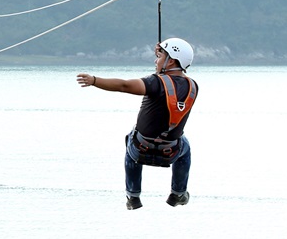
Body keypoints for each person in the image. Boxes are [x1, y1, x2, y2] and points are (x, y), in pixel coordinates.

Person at [76, 37, 198, 210]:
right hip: (171, 151)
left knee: (131, 139)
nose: (156, 60)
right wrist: (163, 53)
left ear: (170, 61)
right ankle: (178, 193)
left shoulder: (154, 83)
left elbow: (124, 86)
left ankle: (133, 197)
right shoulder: (193, 86)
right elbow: (171, 83)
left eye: (160, 57)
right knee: (185, 146)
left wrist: (94, 80)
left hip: (140, 149)